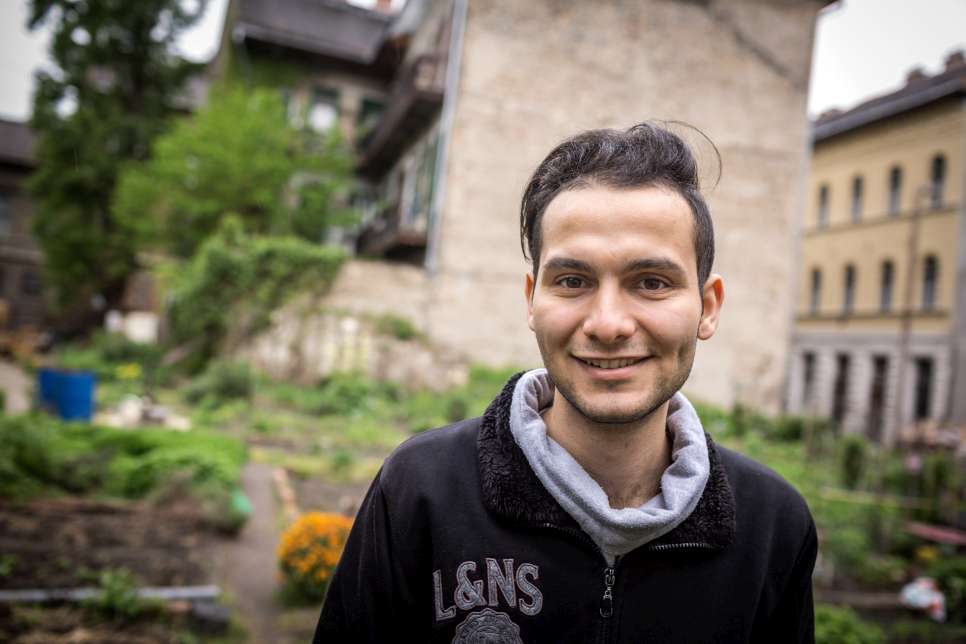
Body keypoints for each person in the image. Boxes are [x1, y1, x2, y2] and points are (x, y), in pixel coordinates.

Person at [313, 122, 817, 643]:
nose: (607, 323)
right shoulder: (419, 491)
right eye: (573, 281)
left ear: (707, 308)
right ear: (533, 299)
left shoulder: (774, 527)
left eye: (652, 283)